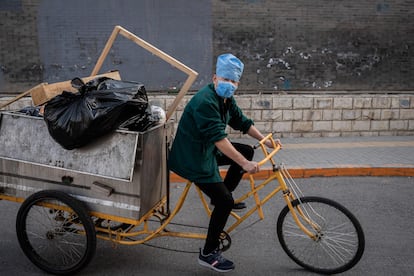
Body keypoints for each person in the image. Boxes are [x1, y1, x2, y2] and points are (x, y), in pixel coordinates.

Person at [168, 53, 278, 272]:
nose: (229, 84)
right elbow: (219, 139)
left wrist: (267, 139)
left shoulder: (226, 99)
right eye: (225, 79)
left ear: (237, 83)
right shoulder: (205, 101)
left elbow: (242, 122)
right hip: (193, 159)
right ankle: (208, 253)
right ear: (215, 78)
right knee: (226, 201)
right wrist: (245, 164)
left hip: (206, 150)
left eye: (233, 81)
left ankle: (221, 195)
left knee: (246, 150)